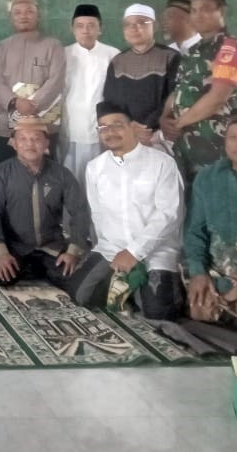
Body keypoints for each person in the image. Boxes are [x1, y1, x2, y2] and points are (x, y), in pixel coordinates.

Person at [74, 102, 185, 319]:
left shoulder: (162, 163)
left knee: (157, 312)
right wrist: (106, 252)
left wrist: (134, 252)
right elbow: (98, 214)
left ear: (133, 126)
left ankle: (135, 290)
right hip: (113, 249)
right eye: (103, 127)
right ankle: (127, 287)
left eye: (117, 125)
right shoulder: (95, 167)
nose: (110, 132)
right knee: (81, 295)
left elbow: (169, 215)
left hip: (155, 250)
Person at [184, 108, 237, 338]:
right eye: (233, 137)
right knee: (199, 309)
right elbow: (195, 231)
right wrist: (198, 273)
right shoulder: (207, 178)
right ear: (225, 141)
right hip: (221, 274)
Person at [0, 116, 90, 291]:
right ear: (13, 143)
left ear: (46, 143)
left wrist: (72, 251)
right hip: (15, 248)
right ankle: (29, 268)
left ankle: (40, 269)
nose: (30, 144)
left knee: (74, 279)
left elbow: (80, 212)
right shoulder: (1, 173)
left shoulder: (61, 174)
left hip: (51, 247)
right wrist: (0, 253)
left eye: (36, 138)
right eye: (23, 139)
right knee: (0, 276)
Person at [160, 0, 237, 183]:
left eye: (205, 9)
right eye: (194, 10)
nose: (198, 15)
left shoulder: (229, 48)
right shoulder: (193, 51)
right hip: (185, 148)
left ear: (222, 11)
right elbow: (180, 89)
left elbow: (218, 96)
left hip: (214, 147)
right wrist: (164, 118)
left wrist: (179, 123)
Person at [0, 0, 66, 162]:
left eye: (29, 11)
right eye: (18, 12)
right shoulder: (1, 48)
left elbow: (56, 81)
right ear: (11, 17)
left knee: (45, 174)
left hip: (44, 127)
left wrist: (32, 105)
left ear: (39, 15)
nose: (23, 16)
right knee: (9, 173)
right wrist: (15, 103)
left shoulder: (53, 46)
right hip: (8, 127)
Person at [103, 4, 180, 143]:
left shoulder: (170, 57)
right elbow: (110, 100)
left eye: (141, 23)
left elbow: (175, 95)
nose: (134, 28)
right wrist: (128, 126)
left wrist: (147, 125)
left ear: (155, 26)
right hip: (125, 134)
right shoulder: (117, 61)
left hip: (160, 135)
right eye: (128, 24)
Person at [60, 4, 119, 185]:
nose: (86, 30)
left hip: (102, 128)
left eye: (91, 25)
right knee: (71, 179)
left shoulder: (113, 55)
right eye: (80, 25)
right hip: (71, 128)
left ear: (100, 28)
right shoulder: (63, 54)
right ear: (72, 29)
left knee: (102, 179)